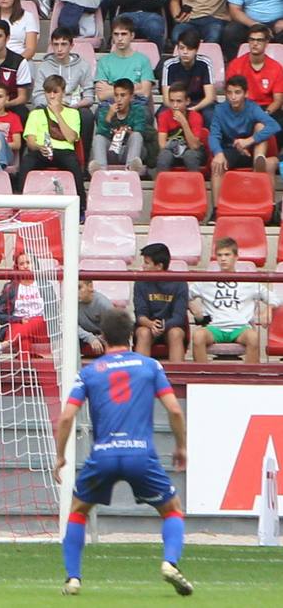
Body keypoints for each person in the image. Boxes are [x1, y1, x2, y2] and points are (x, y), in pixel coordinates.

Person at [53, 308, 193, 597]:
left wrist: (60, 456)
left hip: (103, 454)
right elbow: (175, 410)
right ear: (131, 336)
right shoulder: (151, 366)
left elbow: (66, 417)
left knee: (78, 511)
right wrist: (180, 446)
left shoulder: (89, 372)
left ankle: (73, 579)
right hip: (140, 454)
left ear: (102, 337)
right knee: (172, 510)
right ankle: (169, 562)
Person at [188, 237, 270, 363]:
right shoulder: (206, 281)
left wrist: (267, 310)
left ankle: (250, 378)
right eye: (220, 255)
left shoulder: (249, 281)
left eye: (227, 255)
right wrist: (194, 309)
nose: (223, 258)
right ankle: (203, 376)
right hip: (214, 328)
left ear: (236, 257)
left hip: (240, 328)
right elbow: (182, 295)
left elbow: (275, 298)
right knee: (198, 336)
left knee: (253, 337)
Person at [209, 74, 281, 193]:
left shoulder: (252, 107)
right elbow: (214, 135)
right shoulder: (219, 110)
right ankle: (216, 210)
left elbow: (274, 126)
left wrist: (249, 140)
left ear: (246, 94)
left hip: (252, 149)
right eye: (229, 93)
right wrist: (218, 153)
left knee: (260, 126)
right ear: (226, 94)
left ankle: (258, 160)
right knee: (216, 165)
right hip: (232, 149)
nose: (233, 97)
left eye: (237, 92)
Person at [20, 74, 87, 196]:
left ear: (63, 92)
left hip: (64, 151)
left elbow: (71, 138)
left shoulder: (73, 113)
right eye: (48, 92)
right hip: (41, 151)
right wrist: (39, 147)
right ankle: (19, 202)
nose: (51, 96)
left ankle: (81, 205)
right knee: (27, 161)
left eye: (55, 92)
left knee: (73, 164)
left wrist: (57, 114)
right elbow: (30, 142)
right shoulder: (35, 114)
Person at [31, 27, 96, 143]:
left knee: (87, 116)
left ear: (71, 46)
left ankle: (83, 158)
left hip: (74, 107)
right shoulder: (44, 67)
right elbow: (37, 96)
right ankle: (41, 151)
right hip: (50, 106)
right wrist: (55, 105)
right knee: (38, 111)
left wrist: (74, 106)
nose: (59, 49)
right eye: (56, 45)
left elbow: (89, 97)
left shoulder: (83, 66)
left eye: (63, 44)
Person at [133, 243, 189, 362]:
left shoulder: (179, 283)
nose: (143, 266)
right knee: (143, 333)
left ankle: (177, 378)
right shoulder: (140, 282)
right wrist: (150, 324)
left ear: (159, 266)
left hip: (171, 326)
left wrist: (163, 325)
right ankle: (140, 377)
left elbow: (179, 317)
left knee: (176, 333)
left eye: (147, 263)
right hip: (147, 326)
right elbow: (140, 314)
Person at [227, 24, 283, 130]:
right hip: (243, 107)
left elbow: (278, 100)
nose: (255, 43)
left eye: (259, 40)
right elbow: (231, 94)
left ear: (266, 43)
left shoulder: (276, 67)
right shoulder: (235, 65)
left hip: (267, 109)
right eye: (252, 39)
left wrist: (264, 115)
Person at [92, 79, 152, 174]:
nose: (119, 99)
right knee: (98, 138)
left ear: (131, 97)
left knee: (136, 136)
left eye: (123, 95)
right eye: (116, 95)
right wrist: (109, 116)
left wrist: (127, 131)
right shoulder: (106, 110)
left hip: (128, 150)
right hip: (111, 151)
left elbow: (141, 133)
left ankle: (131, 170)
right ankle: (100, 172)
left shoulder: (138, 110)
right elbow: (101, 132)